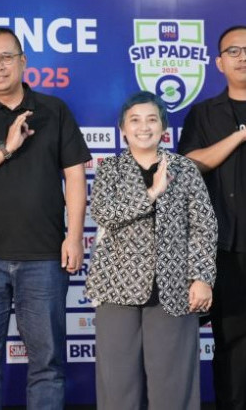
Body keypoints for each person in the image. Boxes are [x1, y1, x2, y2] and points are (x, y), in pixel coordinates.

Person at [0, 27, 90, 409]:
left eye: (6, 57)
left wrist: (74, 236)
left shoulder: (54, 110)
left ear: (23, 62)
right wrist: (5, 148)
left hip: (44, 256)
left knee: (47, 362)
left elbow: (75, 175)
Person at [85, 91, 217, 410]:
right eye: (135, 120)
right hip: (116, 288)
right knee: (117, 386)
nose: (143, 127)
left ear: (163, 127)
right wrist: (152, 193)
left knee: (174, 387)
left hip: (175, 288)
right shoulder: (110, 169)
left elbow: (204, 226)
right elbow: (103, 213)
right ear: (123, 129)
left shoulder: (184, 169)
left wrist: (201, 278)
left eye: (151, 119)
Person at [178, 25, 246, 409]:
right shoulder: (204, 114)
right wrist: (239, 136)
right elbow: (188, 163)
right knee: (231, 343)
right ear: (219, 63)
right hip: (227, 247)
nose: (242, 57)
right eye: (233, 51)